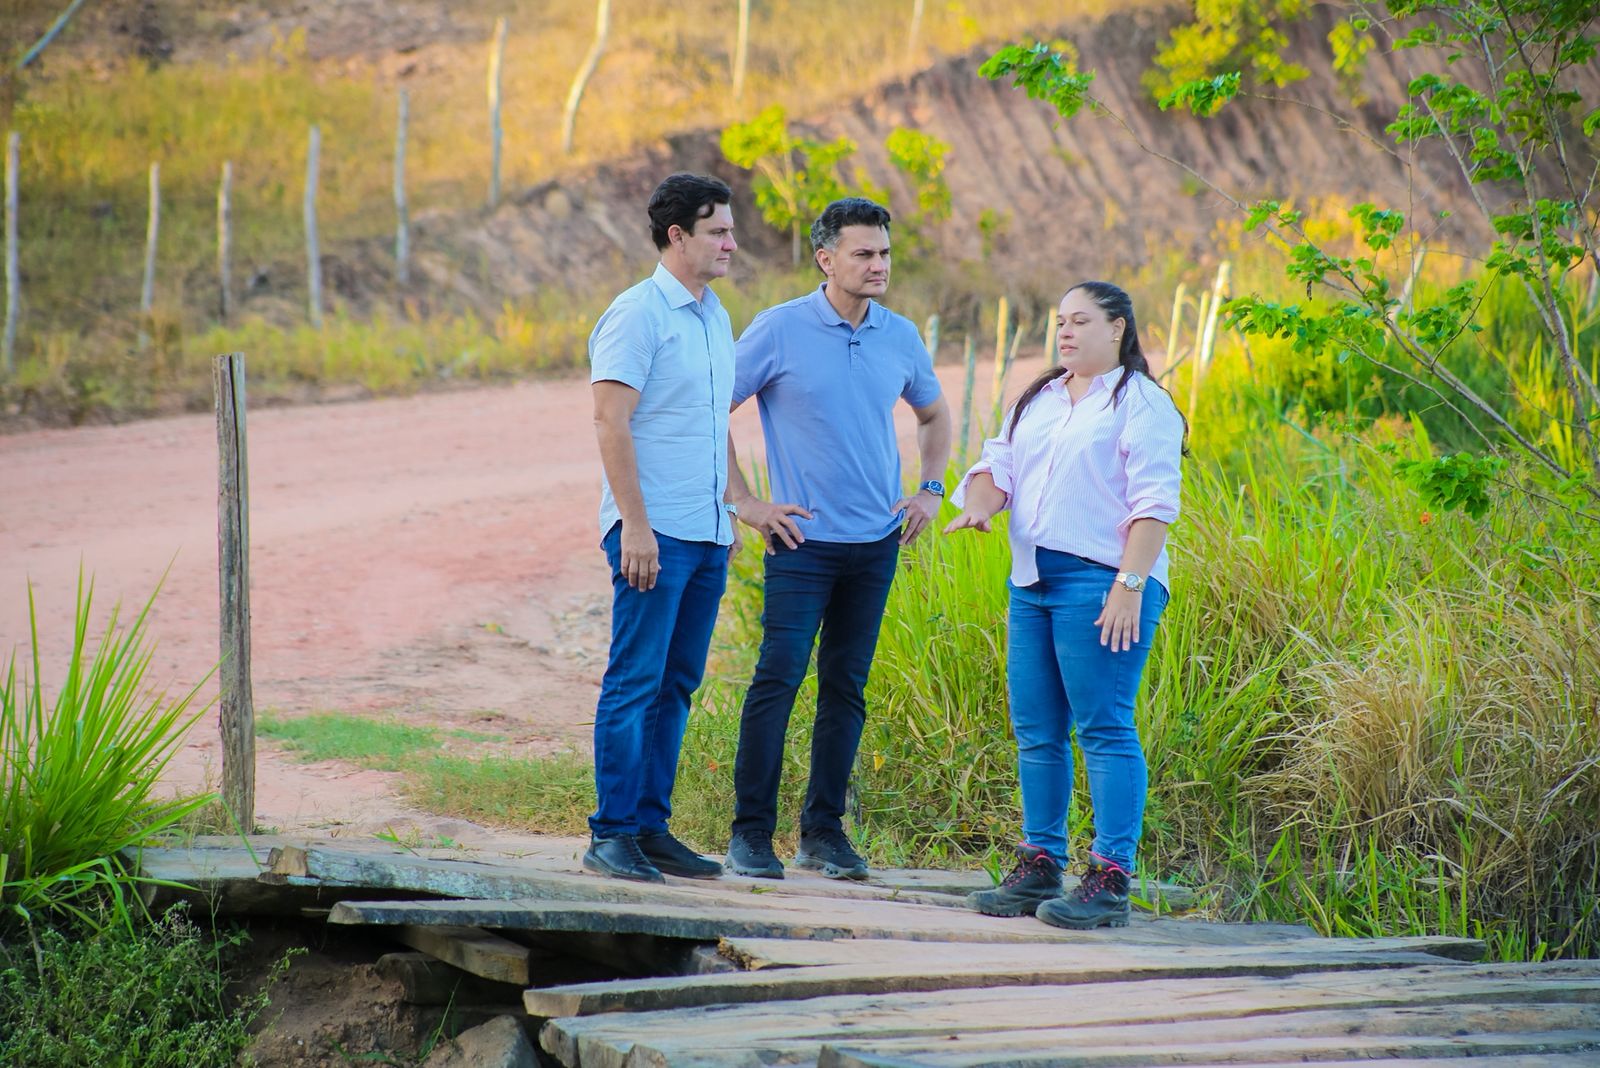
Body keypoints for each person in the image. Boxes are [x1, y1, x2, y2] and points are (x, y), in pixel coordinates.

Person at [723, 197, 953, 881]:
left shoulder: (899, 335)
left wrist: (930, 490)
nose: (879, 265)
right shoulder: (779, 329)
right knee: (778, 680)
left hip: (876, 543)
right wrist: (746, 502)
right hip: (802, 543)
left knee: (846, 689)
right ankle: (750, 835)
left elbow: (934, 415)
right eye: (864, 253)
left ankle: (823, 834)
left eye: (884, 253)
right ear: (826, 259)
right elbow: (709, 409)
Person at [944, 280, 1184, 929]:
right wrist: (980, 507)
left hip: (1102, 582)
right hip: (1032, 582)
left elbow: (1155, 501)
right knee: (1037, 729)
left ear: (1118, 328)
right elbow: (998, 466)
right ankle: (1040, 864)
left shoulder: (1142, 403)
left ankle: (1109, 878)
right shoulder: (1042, 399)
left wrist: (1129, 586)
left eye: (1080, 321)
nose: (1066, 332)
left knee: (1104, 725)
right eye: (1060, 322)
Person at [585, 173, 741, 883]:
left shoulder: (715, 316)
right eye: (718, 232)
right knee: (636, 681)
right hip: (654, 533)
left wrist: (734, 509)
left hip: (706, 533)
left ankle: (650, 829)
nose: (730, 244)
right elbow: (609, 420)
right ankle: (612, 834)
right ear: (677, 236)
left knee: (677, 684)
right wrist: (636, 526)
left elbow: (711, 425)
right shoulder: (636, 314)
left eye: (730, 231)